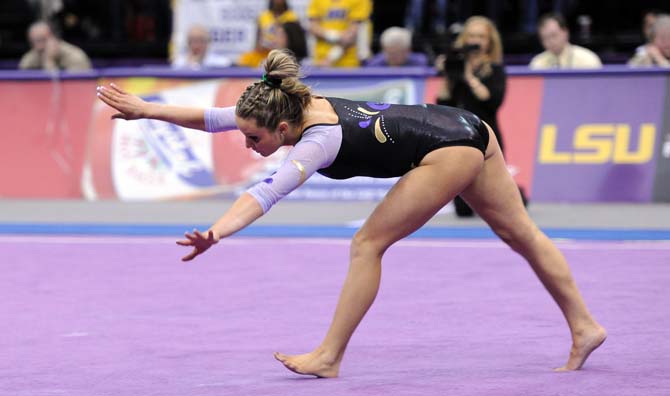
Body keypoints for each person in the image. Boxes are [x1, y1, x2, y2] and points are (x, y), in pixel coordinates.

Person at [96, 48, 606, 377]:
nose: (249, 145)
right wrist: (148, 109)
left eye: (254, 139)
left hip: (446, 150)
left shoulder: (317, 140)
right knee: (520, 233)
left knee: (368, 243)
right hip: (466, 126)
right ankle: (585, 327)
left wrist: (216, 232)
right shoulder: (286, 106)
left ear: (281, 130)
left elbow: (265, 194)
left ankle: (329, 356)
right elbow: (213, 119)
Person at [435, 16, 513, 217]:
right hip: (460, 137)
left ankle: (516, 192)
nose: (475, 41)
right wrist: (449, 76)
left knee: (500, 203)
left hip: (488, 136)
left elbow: (493, 101)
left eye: (480, 36)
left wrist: (469, 77)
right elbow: (443, 105)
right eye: (471, 36)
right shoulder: (457, 66)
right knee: (463, 209)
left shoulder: (495, 70)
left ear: (489, 41)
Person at [306, 0, 372, 67]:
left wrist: (330, 58)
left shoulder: (360, 1)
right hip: (319, 61)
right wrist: (334, 35)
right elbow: (313, 27)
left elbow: (351, 35)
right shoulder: (317, 1)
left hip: (349, 64)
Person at [237, 0, 301, 68]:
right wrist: (261, 46)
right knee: (245, 59)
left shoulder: (292, 17)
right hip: (264, 53)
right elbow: (258, 39)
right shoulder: (264, 16)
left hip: (283, 54)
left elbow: (296, 42)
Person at [529, 13, 602, 70]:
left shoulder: (588, 60)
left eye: (553, 35)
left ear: (565, 32)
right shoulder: (537, 63)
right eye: (544, 38)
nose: (550, 41)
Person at [19, 20, 91, 71]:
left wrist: (49, 61)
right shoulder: (30, 58)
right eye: (33, 42)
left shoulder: (75, 57)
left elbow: (75, 87)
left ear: (54, 38)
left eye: (42, 40)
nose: (38, 47)